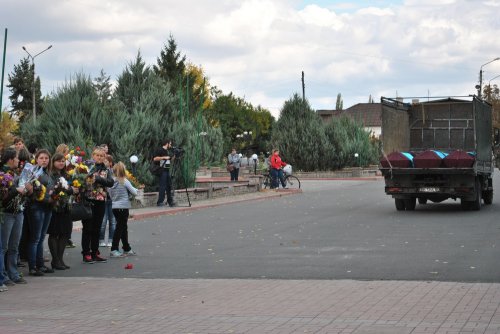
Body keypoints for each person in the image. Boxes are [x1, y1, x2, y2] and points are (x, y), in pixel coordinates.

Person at [1, 148, 32, 285]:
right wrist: (15, 190)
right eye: (17, 158)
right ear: (10, 159)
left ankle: (13, 273)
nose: (19, 161)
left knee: (14, 246)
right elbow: (3, 197)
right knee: (3, 247)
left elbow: (22, 191)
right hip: (7, 213)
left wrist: (28, 189)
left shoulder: (16, 173)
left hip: (18, 211)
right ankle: (2, 276)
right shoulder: (2, 173)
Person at [81, 147, 114, 264]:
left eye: (102, 156)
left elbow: (111, 182)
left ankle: (95, 252)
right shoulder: (86, 167)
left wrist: (99, 178)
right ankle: (86, 253)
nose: (99, 157)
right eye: (97, 155)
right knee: (88, 228)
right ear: (93, 156)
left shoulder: (107, 169)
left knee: (97, 228)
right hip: (88, 201)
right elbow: (80, 180)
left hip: (100, 201)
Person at [27, 149, 56, 276]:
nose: (44, 160)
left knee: (41, 237)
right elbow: (31, 192)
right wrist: (47, 198)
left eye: (46, 158)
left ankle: (40, 265)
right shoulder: (33, 172)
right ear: (36, 159)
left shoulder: (48, 173)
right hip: (36, 207)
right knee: (35, 238)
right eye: (41, 158)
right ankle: (33, 267)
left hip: (47, 207)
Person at [47, 153, 77, 270]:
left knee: (65, 233)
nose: (61, 163)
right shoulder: (51, 175)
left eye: (63, 161)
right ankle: (55, 260)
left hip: (66, 208)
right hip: (55, 207)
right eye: (58, 161)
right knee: (54, 233)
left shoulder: (66, 175)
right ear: (53, 162)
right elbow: (54, 190)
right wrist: (69, 190)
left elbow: (71, 188)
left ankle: (60, 259)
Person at [108, 162, 138, 258]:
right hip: (123, 207)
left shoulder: (111, 182)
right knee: (120, 228)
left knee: (123, 227)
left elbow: (110, 195)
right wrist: (137, 189)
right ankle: (114, 249)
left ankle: (126, 247)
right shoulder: (124, 181)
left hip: (115, 207)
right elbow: (134, 192)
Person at [153, 138, 175, 207]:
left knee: (169, 186)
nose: (171, 145)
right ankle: (160, 202)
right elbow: (155, 158)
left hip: (167, 170)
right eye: (170, 144)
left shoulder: (167, 151)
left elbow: (170, 160)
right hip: (162, 171)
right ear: (167, 143)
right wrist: (164, 157)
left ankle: (170, 201)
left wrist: (175, 155)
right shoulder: (160, 150)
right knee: (162, 186)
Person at [99, 154, 115, 247]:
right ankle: (101, 239)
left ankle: (111, 239)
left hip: (112, 199)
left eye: (106, 161)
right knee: (103, 221)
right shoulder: (100, 171)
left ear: (110, 163)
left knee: (112, 221)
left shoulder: (113, 172)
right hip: (103, 198)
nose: (104, 162)